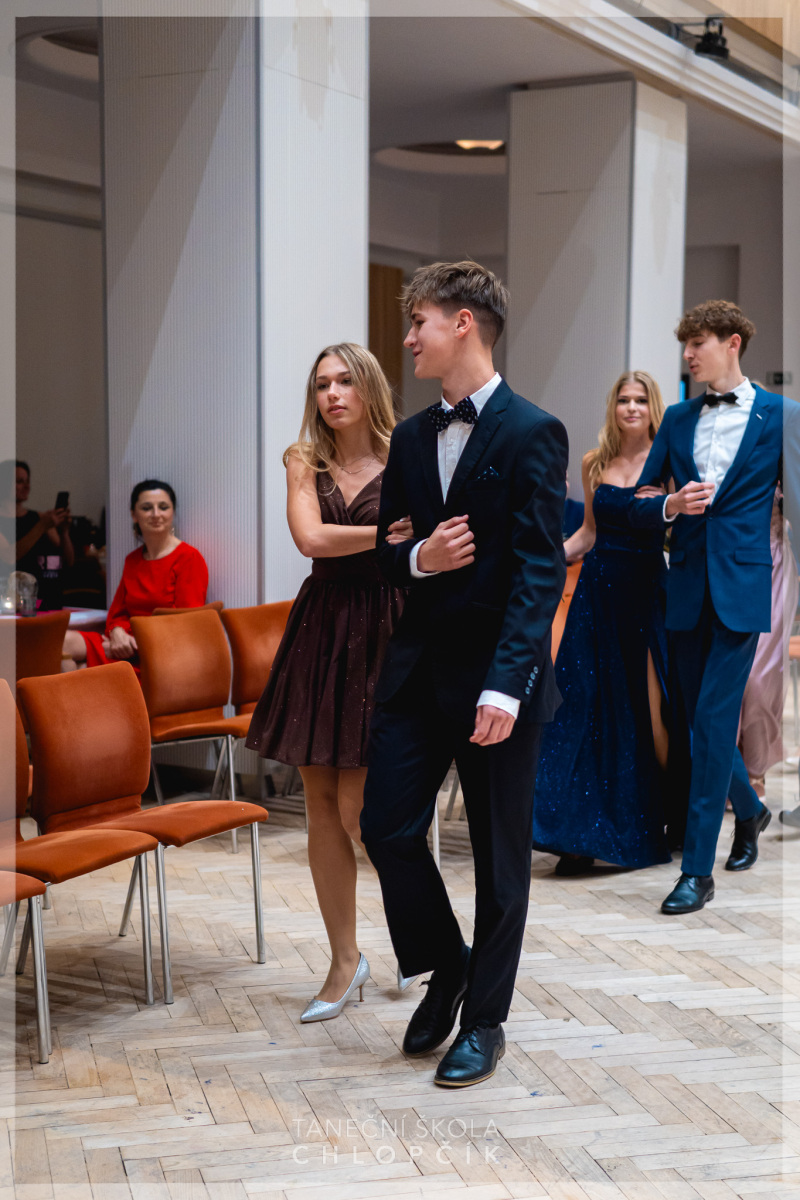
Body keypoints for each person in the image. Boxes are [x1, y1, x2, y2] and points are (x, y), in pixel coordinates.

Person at [360, 261, 568, 1088]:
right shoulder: (411, 437)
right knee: (386, 828)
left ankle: (484, 1021)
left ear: (464, 324)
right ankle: (448, 966)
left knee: (499, 859)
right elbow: (387, 555)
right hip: (416, 675)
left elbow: (538, 572)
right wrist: (422, 555)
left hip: (497, 682)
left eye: (419, 321)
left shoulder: (533, 431)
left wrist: (505, 684)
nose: (409, 337)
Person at [246, 343, 409, 1023]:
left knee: (361, 812)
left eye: (345, 381)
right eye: (322, 385)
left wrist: (395, 544)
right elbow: (310, 540)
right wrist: (383, 536)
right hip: (322, 629)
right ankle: (345, 961)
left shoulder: (406, 454)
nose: (333, 394)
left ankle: (418, 936)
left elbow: (424, 546)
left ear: (369, 388)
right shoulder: (302, 460)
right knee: (319, 804)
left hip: (387, 627)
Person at [631, 300, 788, 914]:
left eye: (698, 343)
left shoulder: (782, 415)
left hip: (744, 587)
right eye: (686, 344)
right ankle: (749, 812)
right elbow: (646, 492)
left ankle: (696, 871)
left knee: (715, 722)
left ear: (732, 343)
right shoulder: (676, 418)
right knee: (696, 724)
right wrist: (669, 506)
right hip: (687, 586)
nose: (688, 354)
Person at [533, 372, 672, 875]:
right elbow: (588, 534)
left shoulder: (667, 464)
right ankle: (573, 837)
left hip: (645, 596)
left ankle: (643, 825)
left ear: (653, 408)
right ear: (613, 407)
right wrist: (544, 561)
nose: (631, 408)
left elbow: (680, 530)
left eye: (641, 400)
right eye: (623, 400)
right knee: (580, 707)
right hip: (596, 597)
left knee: (642, 714)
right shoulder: (594, 463)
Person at [62, 480, 208, 669]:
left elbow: (186, 626)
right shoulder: (133, 560)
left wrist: (131, 645)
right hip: (124, 645)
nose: (156, 514)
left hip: (161, 654)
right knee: (61, 643)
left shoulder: (189, 558)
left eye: (163, 507)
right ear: (134, 515)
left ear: (172, 512)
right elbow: (117, 613)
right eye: (147, 508)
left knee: (79, 666)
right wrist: (117, 632)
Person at [738, 490, 798, 796]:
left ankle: (754, 769)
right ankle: (733, 773)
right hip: (730, 562)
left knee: (759, 676)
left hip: (773, 561)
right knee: (730, 675)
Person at [0, 460, 74, 609]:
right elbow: (8, 557)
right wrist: (42, 526)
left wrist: (64, 532)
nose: (27, 486)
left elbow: (69, 561)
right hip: (15, 604)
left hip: (49, 599)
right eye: (19, 481)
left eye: (27, 481)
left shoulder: (40, 518)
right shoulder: (41, 522)